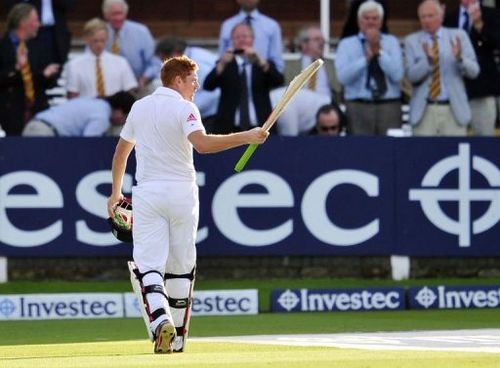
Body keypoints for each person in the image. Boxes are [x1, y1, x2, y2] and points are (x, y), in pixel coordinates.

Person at [106, 55, 268, 354]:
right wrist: (248, 136)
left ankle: (160, 321)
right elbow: (203, 145)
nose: (196, 86)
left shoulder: (139, 107)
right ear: (177, 79)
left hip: (148, 193)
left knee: (149, 264)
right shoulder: (185, 108)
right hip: (182, 192)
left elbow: (121, 153)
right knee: (181, 267)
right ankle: (177, 338)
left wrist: (116, 193)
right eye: (193, 80)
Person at [405, 0, 479, 136]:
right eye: (423, 16)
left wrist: (459, 58)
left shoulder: (458, 36)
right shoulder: (412, 41)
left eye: (430, 16)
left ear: (441, 16)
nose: (426, 20)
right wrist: (427, 62)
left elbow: (474, 72)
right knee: (423, 155)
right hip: (424, 110)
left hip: (453, 109)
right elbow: (411, 76)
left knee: (453, 153)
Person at [335, 0, 403, 135]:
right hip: (358, 106)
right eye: (366, 18)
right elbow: (343, 77)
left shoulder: (392, 42)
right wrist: (365, 59)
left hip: (388, 105)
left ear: (381, 21)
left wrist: (380, 53)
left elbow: (398, 75)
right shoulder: (346, 44)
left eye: (375, 18)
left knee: (390, 151)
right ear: (359, 21)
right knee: (360, 152)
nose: (371, 22)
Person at [205, 22, 283, 134]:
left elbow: (278, 81)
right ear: (232, 41)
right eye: (237, 37)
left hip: (260, 127)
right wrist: (222, 64)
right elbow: (208, 85)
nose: (241, 40)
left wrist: (260, 60)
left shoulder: (262, 64)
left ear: (253, 39)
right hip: (229, 129)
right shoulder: (226, 64)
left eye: (245, 36)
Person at [0, 3, 60, 136]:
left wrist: (46, 75)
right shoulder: (3, 47)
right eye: (35, 20)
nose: (39, 24)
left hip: (38, 111)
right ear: (23, 22)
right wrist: (16, 69)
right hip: (11, 113)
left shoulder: (38, 46)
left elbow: (46, 82)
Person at [444, 0, 500, 136]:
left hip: (482, 90)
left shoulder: (491, 14)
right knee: (453, 141)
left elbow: (497, 42)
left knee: (484, 141)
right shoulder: (449, 17)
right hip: (455, 91)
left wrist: (480, 26)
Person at [64, 17, 137, 99]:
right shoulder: (74, 65)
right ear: (86, 39)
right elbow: (72, 95)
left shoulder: (121, 62)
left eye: (102, 41)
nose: (99, 45)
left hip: (115, 109)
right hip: (88, 109)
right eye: (95, 41)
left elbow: (130, 91)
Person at [153, 35, 220, 121]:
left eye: (165, 60)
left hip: (214, 114)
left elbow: (213, 92)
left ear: (176, 53)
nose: (164, 64)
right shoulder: (191, 56)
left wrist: (185, 109)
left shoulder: (197, 64)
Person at [102, 0, 161, 93]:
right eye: (114, 14)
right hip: (107, 86)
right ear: (106, 15)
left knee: (157, 85)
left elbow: (155, 62)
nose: (118, 18)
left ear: (126, 14)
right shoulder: (98, 33)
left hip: (138, 84)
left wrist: (144, 78)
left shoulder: (141, 32)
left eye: (120, 13)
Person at [22, 91, 135, 136]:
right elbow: (87, 144)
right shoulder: (102, 117)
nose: (123, 123)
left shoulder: (94, 101)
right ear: (120, 111)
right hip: (44, 133)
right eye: (125, 119)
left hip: (35, 125)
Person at [218, 0, 284, 72]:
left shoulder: (272, 26)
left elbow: (277, 64)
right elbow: (221, 60)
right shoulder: (227, 25)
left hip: (264, 77)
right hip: (234, 77)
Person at [6, 0, 75, 65]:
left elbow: (70, 4)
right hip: (29, 33)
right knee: (30, 67)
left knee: (56, 69)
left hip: (55, 34)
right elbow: (12, 5)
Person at [285, 24, 342, 102]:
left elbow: (339, 90)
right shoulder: (291, 66)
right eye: (317, 39)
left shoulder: (332, 64)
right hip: (300, 106)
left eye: (322, 39)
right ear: (304, 44)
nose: (322, 42)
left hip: (326, 108)